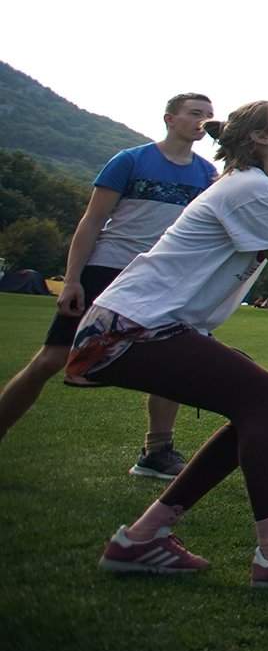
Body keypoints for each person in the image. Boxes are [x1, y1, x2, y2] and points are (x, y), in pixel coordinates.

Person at [67, 101, 268, 585]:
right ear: (261, 138)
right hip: (126, 326)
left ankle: (143, 539)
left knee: (259, 406)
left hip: (155, 327)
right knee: (266, 397)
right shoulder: (249, 188)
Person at [0, 92, 218, 478]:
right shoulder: (131, 160)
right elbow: (92, 221)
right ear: (170, 119)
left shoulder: (206, 175)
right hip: (108, 270)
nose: (202, 120)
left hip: (162, 280)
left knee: (173, 362)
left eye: (209, 115)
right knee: (52, 358)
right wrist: (71, 280)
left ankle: (156, 452)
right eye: (194, 113)